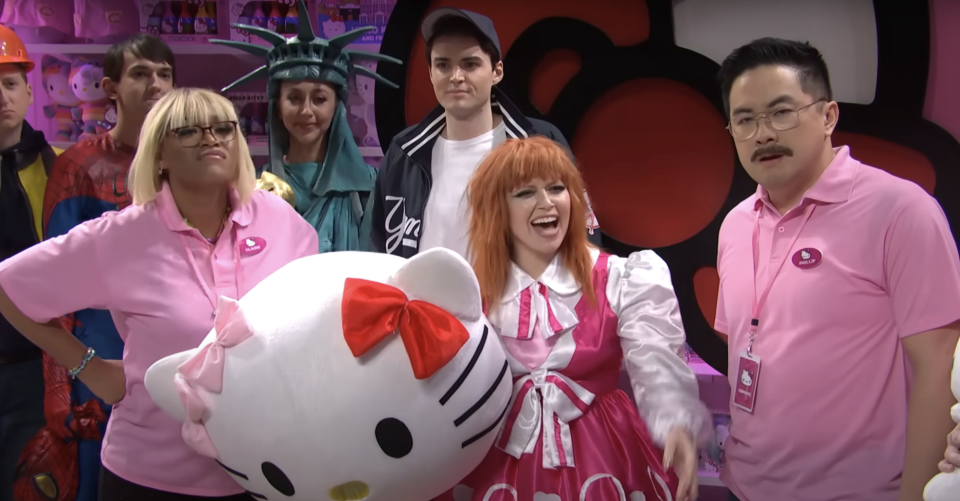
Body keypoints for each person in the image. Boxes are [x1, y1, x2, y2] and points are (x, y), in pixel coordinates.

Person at [0, 87, 319, 501]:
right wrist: (90, 369)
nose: (211, 139)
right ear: (160, 154)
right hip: (151, 475)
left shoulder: (281, 221)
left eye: (224, 128)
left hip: (266, 474)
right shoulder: (121, 236)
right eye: (188, 131)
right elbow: (10, 287)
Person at [713, 38, 960, 501]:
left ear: (828, 116)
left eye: (781, 112)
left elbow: (938, 368)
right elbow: (744, 342)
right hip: (742, 486)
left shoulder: (901, 211)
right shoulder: (735, 224)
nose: (762, 134)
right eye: (745, 120)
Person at [437, 136, 709, 501]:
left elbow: (655, 358)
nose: (546, 202)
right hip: (497, 455)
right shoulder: (475, 290)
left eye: (557, 188)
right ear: (497, 208)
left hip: (605, 455)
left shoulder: (622, 276)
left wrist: (675, 422)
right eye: (524, 193)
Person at [35, 32, 176, 501]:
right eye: (141, 74)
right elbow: (46, 288)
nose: (155, 84)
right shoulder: (78, 165)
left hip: (172, 359)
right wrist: (59, 383)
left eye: (164, 74)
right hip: (95, 359)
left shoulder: (187, 163)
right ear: (111, 88)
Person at [367, 7, 601, 259]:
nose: (456, 76)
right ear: (431, 74)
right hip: (423, 298)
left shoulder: (539, 141)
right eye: (443, 65)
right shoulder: (404, 153)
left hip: (519, 298)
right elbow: (377, 247)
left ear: (496, 72)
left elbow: (583, 234)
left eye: (470, 64)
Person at [210, 0, 402, 252]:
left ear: (337, 107)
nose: (306, 111)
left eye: (320, 99)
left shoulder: (370, 186)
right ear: (277, 107)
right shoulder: (253, 186)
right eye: (294, 98)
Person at [0, 25, 61, 501]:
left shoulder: (60, 167)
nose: (2, 97)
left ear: (27, 90)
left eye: (9, 83)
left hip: (35, 364)